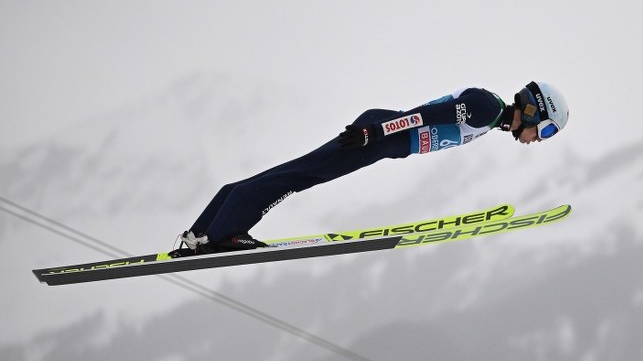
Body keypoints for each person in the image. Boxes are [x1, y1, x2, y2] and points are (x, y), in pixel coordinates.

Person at [170, 81, 570, 257]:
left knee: (304, 170)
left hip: (382, 136)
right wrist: (374, 131)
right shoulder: (487, 107)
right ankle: (224, 234)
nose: (540, 138)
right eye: (546, 129)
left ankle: (204, 231)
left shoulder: (494, 114)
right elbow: (425, 115)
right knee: (306, 174)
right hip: (380, 133)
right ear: (534, 109)